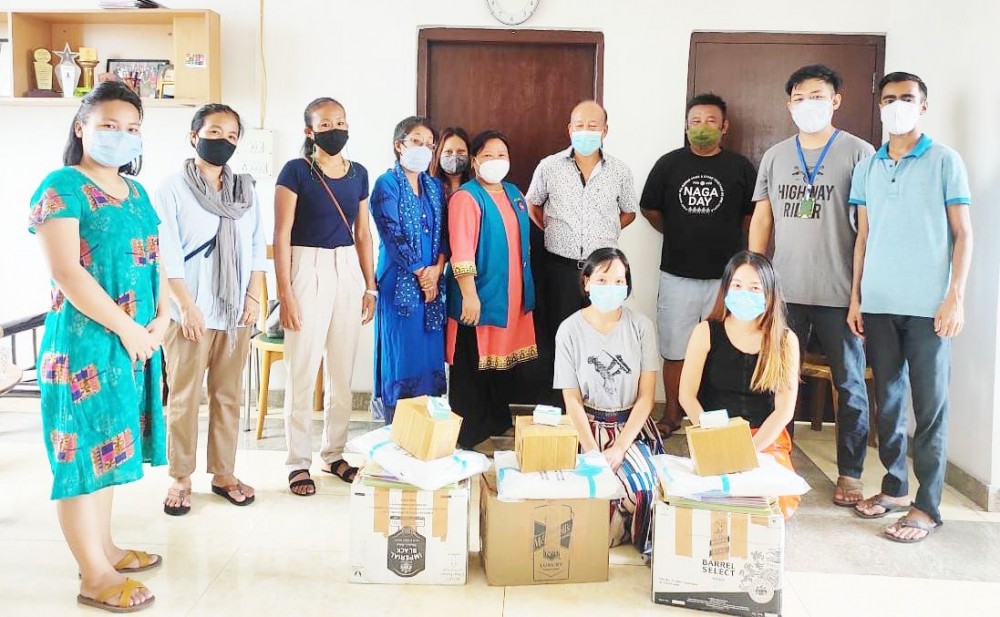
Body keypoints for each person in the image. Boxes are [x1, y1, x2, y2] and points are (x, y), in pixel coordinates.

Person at [29, 81, 167, 612]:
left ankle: (105, 549)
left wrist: (159, 320)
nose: (120, 136)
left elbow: (151, 261)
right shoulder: (62, 185)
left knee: (109, 449)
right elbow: (68, 272)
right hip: (85, 345)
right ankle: (93, 575)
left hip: (131, 345)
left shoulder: (136, 192)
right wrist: (130, 330)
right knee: (79, 456)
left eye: (131, 129)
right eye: (108, 125)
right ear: (81, 127)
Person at [848, 72, 973, 543]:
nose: (897, 105)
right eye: (889, 99)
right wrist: (856, 296)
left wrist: (954, 297)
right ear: (879, 106)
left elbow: (964, 234)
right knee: (889, 403)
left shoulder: (945, 161)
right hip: (878, 303)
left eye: (907, 98)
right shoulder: (869, 167)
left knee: (930, 407)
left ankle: (927, 506)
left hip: (929, 309)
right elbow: (862, 237)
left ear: (923, 106)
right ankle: (896, 488)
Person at [749, 64, 875, 508]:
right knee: (773, 379)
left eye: (818, 96)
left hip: (840, 295)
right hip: (784, 294)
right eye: (800, 97)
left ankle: (850, 473)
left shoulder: (861, 153)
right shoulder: (776, 156)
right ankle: (771, 458)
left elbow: (867, 229)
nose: (809, 105)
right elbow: (763, 218)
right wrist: (755, 277)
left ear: (836, 100)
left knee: (851, 386)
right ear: (789, 104)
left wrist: (859, 293)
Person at [155, 104, 266, 516]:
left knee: (228, 395)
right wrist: (186, 306)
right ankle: (180, 477)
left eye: (233, 135)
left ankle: (224, 473)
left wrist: (254, 299)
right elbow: (166, 255)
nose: (224, 141)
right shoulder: (171, 189)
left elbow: (256, 248)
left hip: (234, 311)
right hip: (188, 312)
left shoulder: (246, 191)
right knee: (184, 396)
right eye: (215, 131)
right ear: (194, 135)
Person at [274, 97, 377, 495]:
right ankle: (297, 461)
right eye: (326, 122)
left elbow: (363, 233)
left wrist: (370, 285)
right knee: (302, 368)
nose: (336, 128)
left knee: (341, 370)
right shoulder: (296, 171)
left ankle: (333, 454)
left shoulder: (360, 174)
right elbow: (282, 234)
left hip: (348, 268)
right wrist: (285, 292)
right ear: (309, 132)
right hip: (307, 267)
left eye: (341, 121)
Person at [640, 93, 758, 437]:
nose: (702, 127)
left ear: (724, 127)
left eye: (710, 121)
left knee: (722, 348)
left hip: (726, 280)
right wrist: (678, 233)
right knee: (675, 349)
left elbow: (752, 215)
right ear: (686, 126)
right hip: (677, 274)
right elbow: (650, 209)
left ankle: (712, 419)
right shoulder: (669, 164)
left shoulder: (739, 168)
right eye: (695, 121)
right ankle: (672, 415)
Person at [526, 100, 639, 405]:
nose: (585, 131)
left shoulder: (620, 170)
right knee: (559, 337)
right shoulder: (549, 166)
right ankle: (558, 408)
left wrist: (605, 232)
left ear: (605, 129)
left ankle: (596, 404)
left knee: (599, 337)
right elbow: (532, 204)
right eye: (579, 125)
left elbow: (629, 212)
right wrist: (554, 229)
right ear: (569, 129)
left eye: (593, 126)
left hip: (602, 272)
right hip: (559, 268)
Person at [554, 248, 663, 554]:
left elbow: (646, 398)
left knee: (641, 491)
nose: (611, 287)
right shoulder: (569, 330)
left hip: (631, 429)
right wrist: (592, 452)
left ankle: (627, 526)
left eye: (619, 281)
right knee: (576, 495)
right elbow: (571, 399)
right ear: (586, 282)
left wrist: (618, 449)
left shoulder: (641, 327)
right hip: (584, 428)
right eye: (602, 279)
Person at [679, 251, 802, 519]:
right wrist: (717, 441)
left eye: (755, 288)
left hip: (764, 440)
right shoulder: (705, 332)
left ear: (770, 293)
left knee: (770, 503)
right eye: (737, 285)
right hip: (715, 434)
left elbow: (784, 410)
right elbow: (686, 396)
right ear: (726, 289)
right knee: (710, 500)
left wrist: (747, 453)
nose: (744, 293)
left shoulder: (785, 340)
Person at [446, 130, 537, 451]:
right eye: (487, 156)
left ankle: (496, 421)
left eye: (501, 155)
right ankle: (471, 433)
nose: (495, 162)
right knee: (472, 365)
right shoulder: (467, 198)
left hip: (511, 296)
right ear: (473, 162)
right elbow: (462, 249)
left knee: (500, 365)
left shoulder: (513, 193)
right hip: (478, 295)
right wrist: (469, 294)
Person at [370, 116, 448, 422]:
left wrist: (437, 270)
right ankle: (399, 431)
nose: (424, 149)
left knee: (428, 357)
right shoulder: (386, 184)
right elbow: (391, 232)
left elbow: (444, 234)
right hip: (399, 283)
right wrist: (421, 273)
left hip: (433, 284)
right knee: (402, 355)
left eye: (430, 145)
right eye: (417, 141)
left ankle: (426, 431)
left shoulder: (434, 186)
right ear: (399, 145)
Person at [430, 126, 472, 199]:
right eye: (449, 152)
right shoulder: (429, 186)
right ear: (439, 154)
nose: (454, 156)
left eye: (460, 151)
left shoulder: (475, 186)